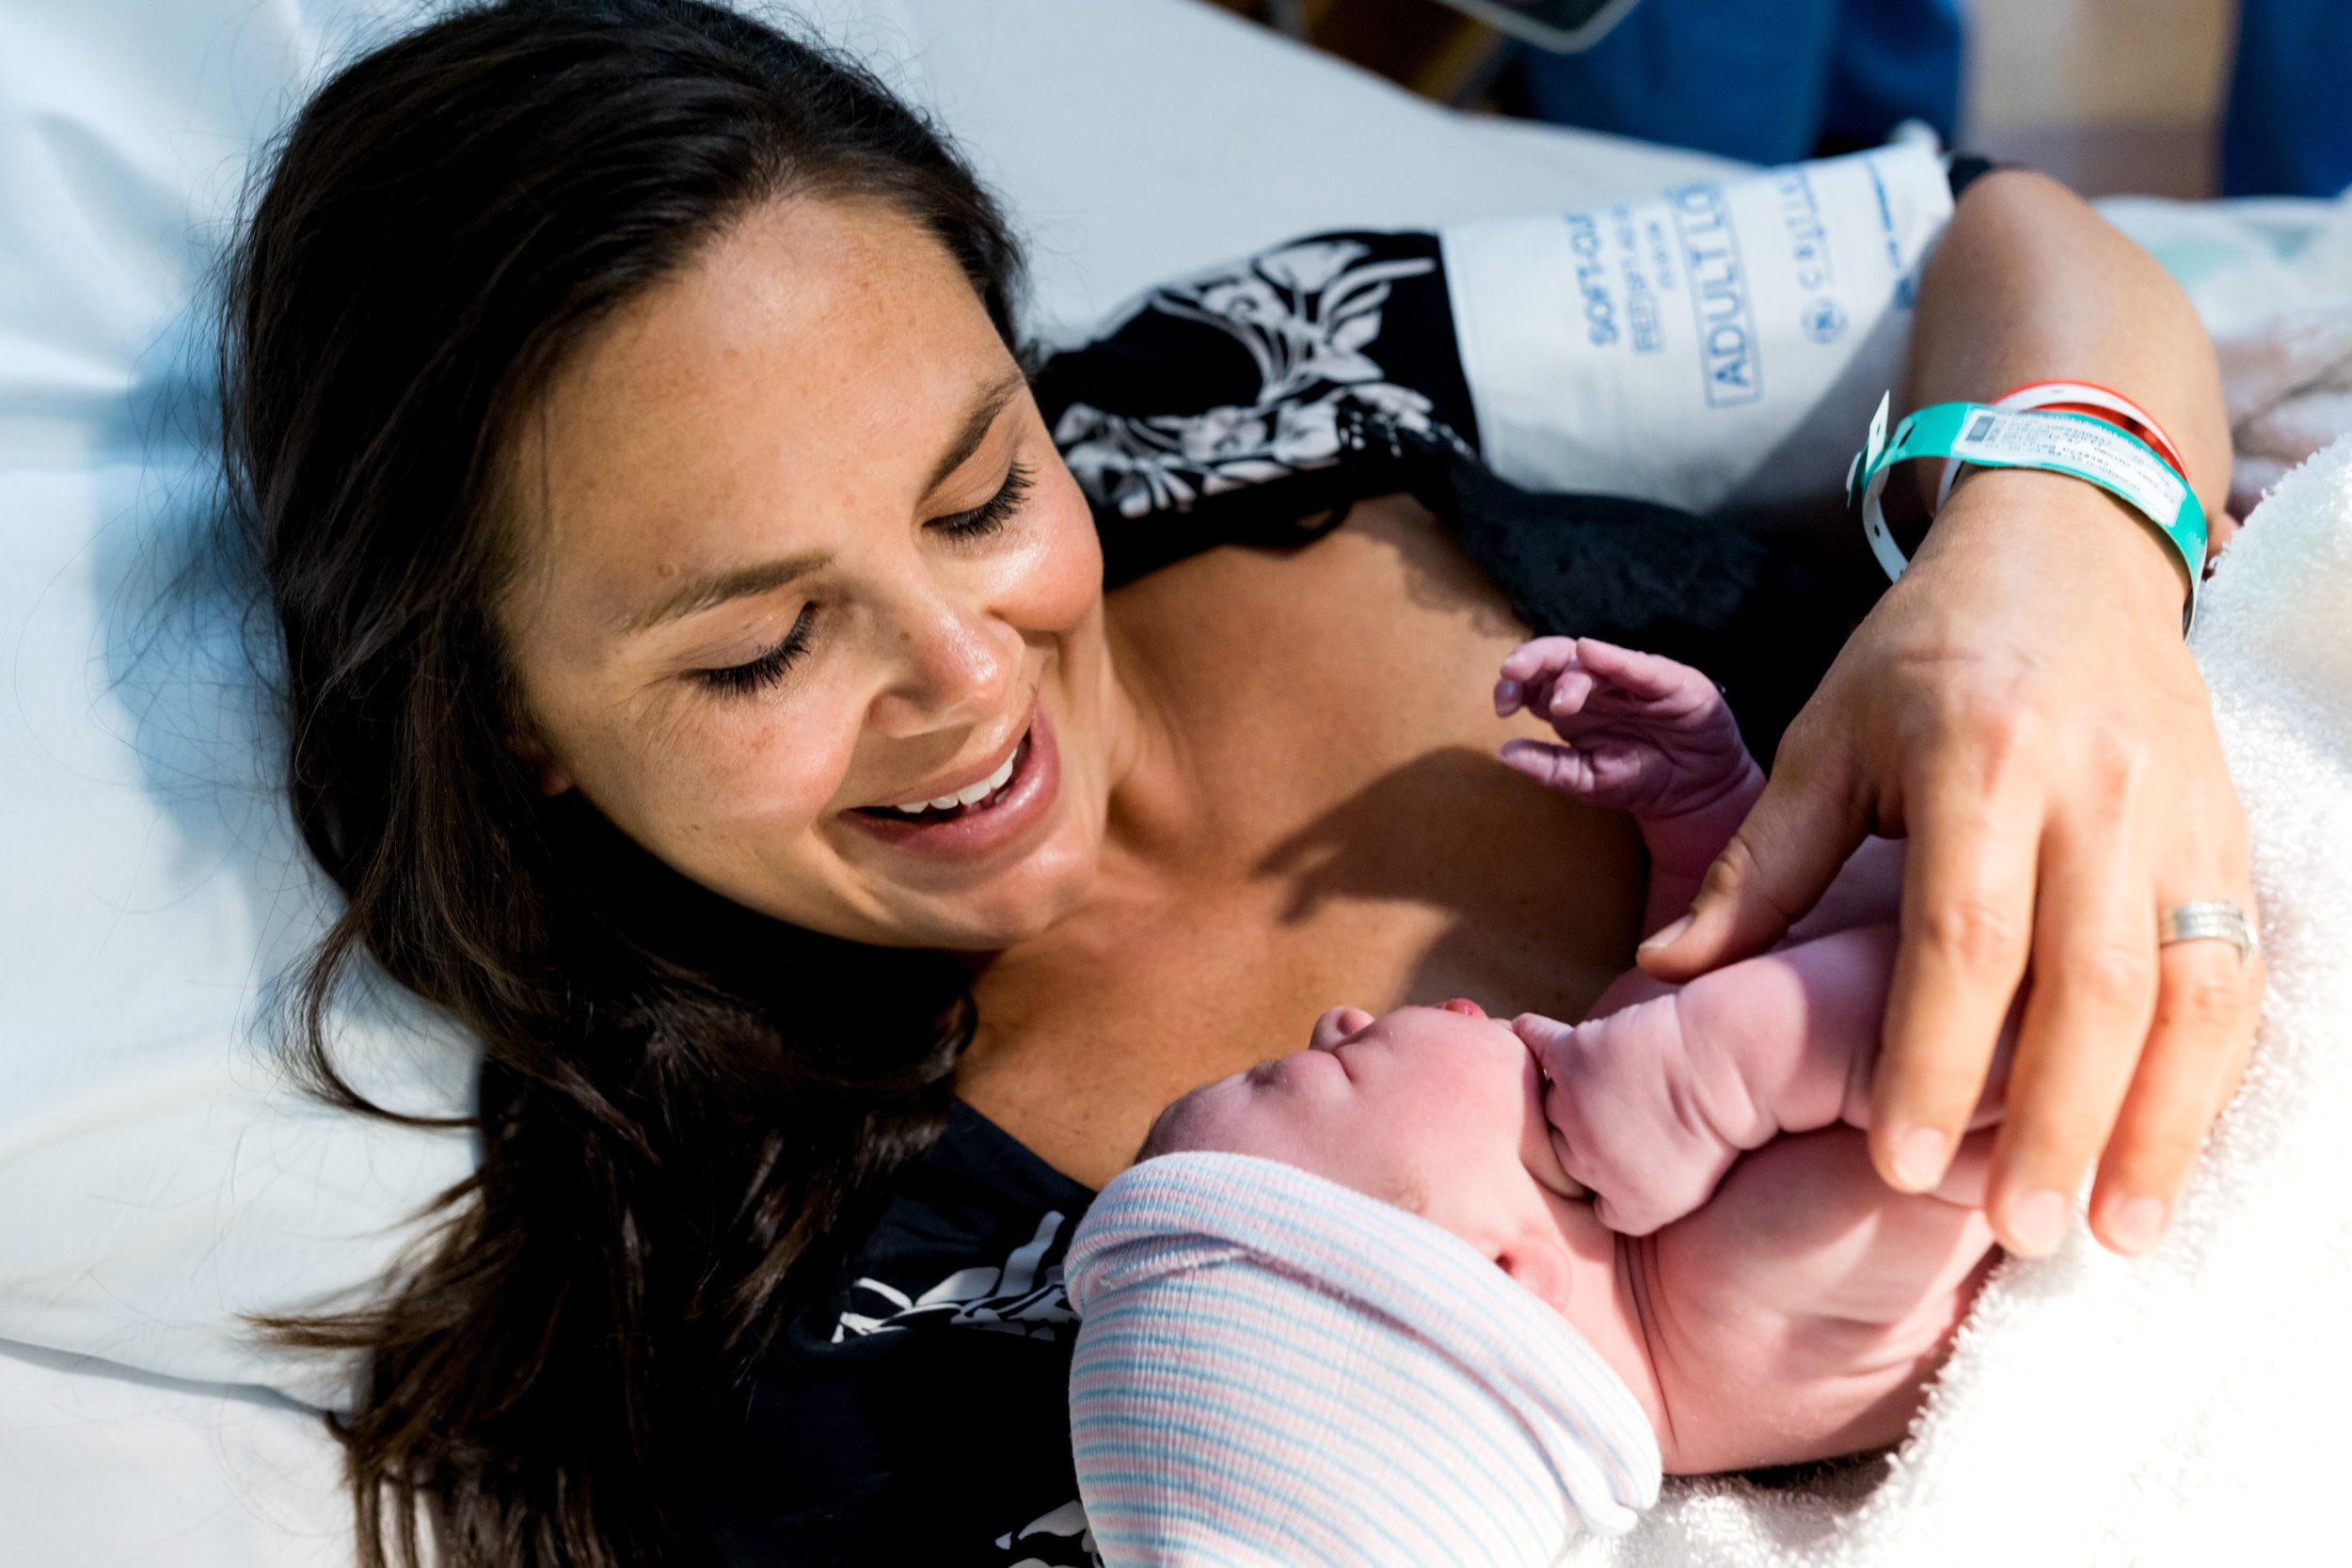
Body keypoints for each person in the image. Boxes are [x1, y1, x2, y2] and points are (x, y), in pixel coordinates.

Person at [218, 1, 2260, 1562]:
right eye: (763, 644)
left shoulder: (1231, 392)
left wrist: (2045, 567)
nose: (964, 669)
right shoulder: (837, 1356)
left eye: (979, 486)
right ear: (507, 725)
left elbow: (1993, 232)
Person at [1075, 996, 1999, 1567]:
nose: (1340, 1015)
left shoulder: (1623, 1217)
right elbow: (1995, 1044)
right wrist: (1700, 1058)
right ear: (1498, 1273)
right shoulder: (1744, 1281)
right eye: (1324, 1070)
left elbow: (1739, 974)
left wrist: (1707, 824)